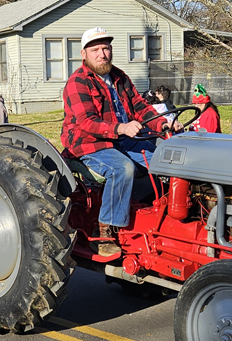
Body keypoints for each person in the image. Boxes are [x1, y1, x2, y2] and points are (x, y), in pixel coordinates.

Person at [62, 27, 174, 257]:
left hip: (123, 140)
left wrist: (163, 123)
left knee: (165, 162)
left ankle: (159, 217)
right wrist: (121, 127)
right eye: (95, 50)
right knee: (123, 168)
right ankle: (104, 232)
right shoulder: (78, 82)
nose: (102, 54)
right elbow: (87, 122)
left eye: (105, 48)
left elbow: (141, 107)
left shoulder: (119, 77)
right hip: (89, 143)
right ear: (84, 54)